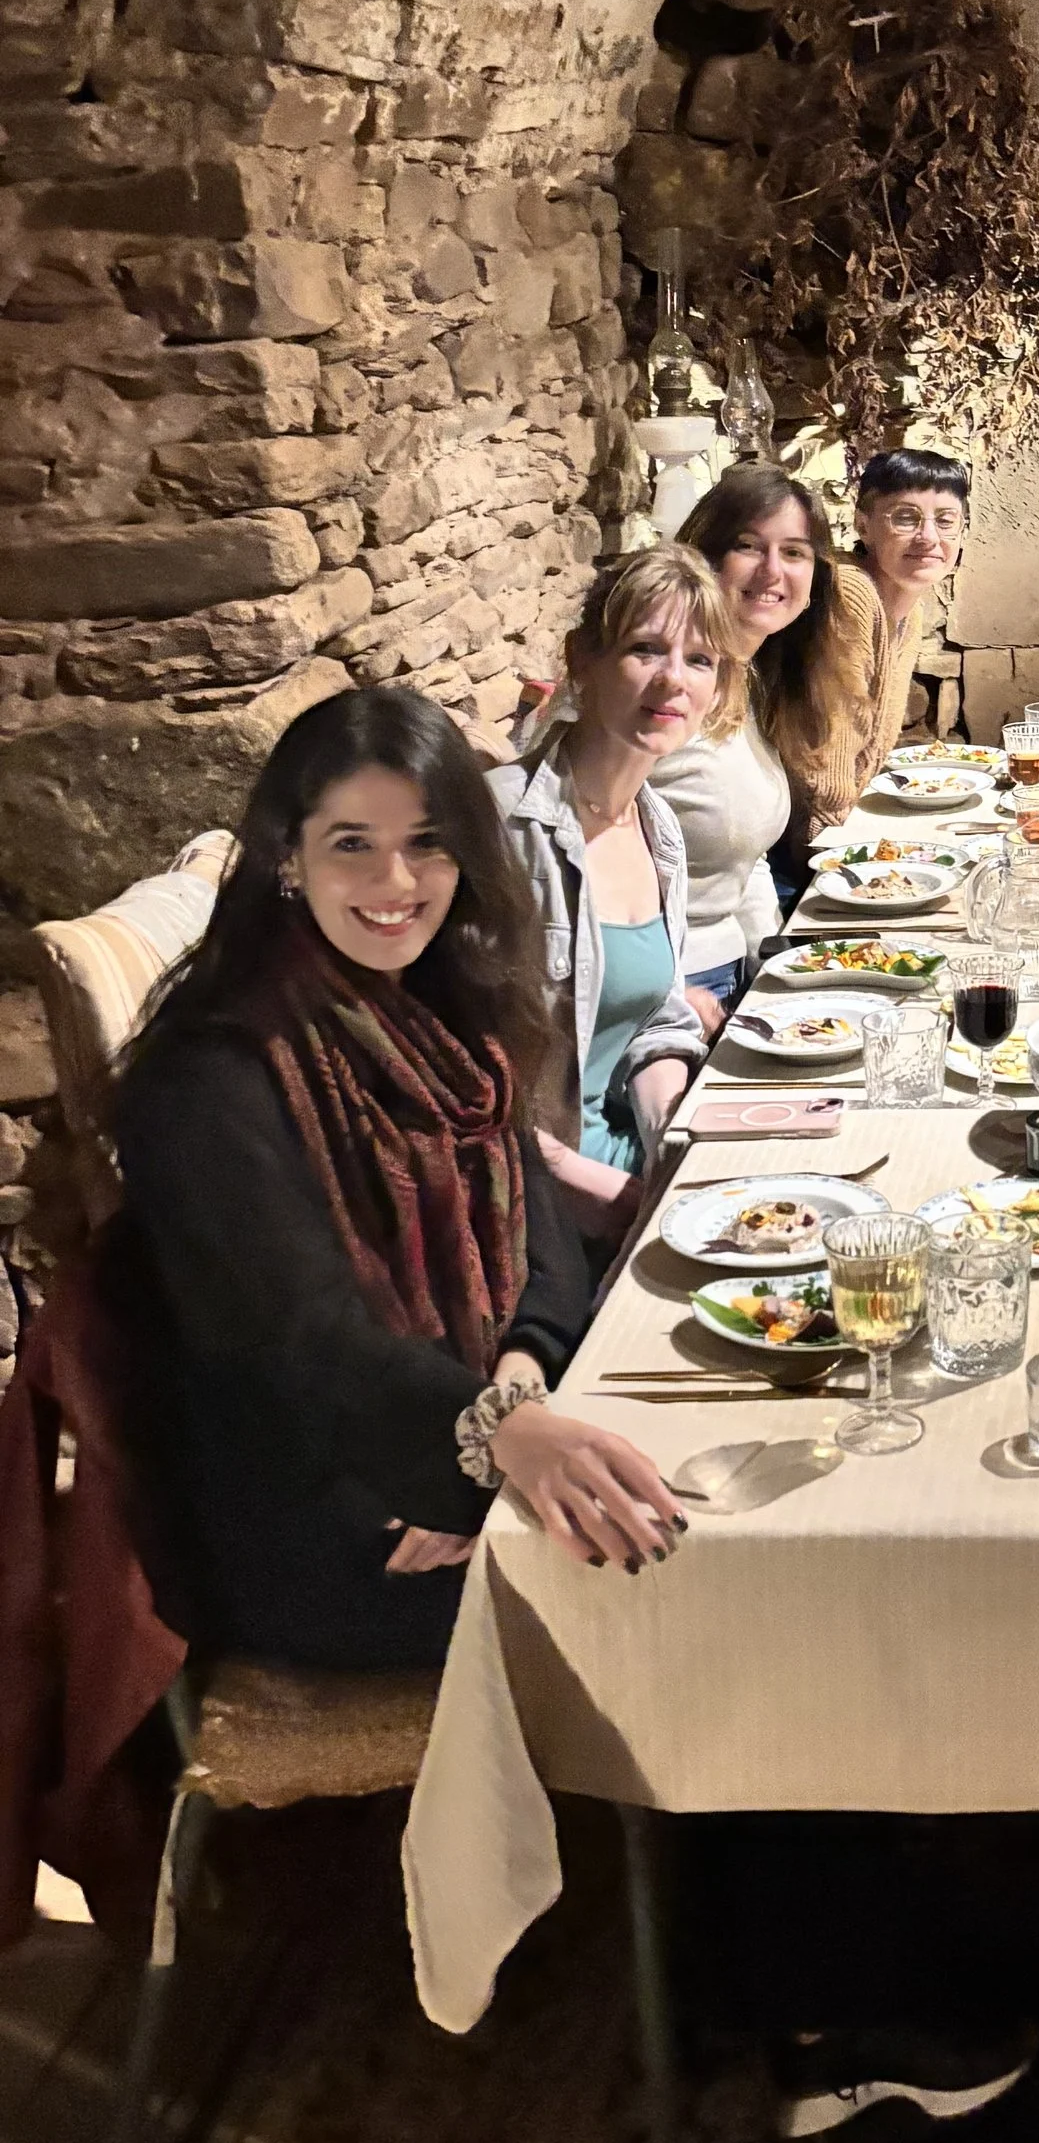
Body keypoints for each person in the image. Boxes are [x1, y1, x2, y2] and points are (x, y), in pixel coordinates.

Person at [107, 686, 683, 1673]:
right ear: (288, 855)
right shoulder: (209, 1078)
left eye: (427, 842)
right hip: (319, 1522)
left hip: (446, 1441)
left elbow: (542, 1241)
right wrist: (475, 1453)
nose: (396, 880)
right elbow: (299, 1342)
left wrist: (511, 1398)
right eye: (352, 844)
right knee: (684, 1580)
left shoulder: (442, 1007)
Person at [494, 546, 724, 1236]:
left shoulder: (658, 827)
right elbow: (470, 1092)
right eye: (645, 649)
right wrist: (632, 1203)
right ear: (581, 659)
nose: (673, 681)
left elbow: (655, 1023)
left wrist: (671, 1147)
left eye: (699, 659)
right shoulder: (507, 829)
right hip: (543, 1206)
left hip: (630, 1166)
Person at [661, 465, 834, 1012]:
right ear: (704, 558)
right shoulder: (657, 690)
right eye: (747, 546)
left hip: (731, 974)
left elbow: (748, 857)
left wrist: (775, 976)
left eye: (795, 552)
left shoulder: (749, 677)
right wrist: (656, 1001)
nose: (772, 571)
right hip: (670, 995)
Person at [817, 448, 974, 821]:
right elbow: (827, 760)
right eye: (906, 518)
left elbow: (871, 749)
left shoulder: (909, 605)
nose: (929, 537)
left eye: (946, 520)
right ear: (863, 525)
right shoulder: (851, 592)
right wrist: (831, 855)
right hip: (799, 847)